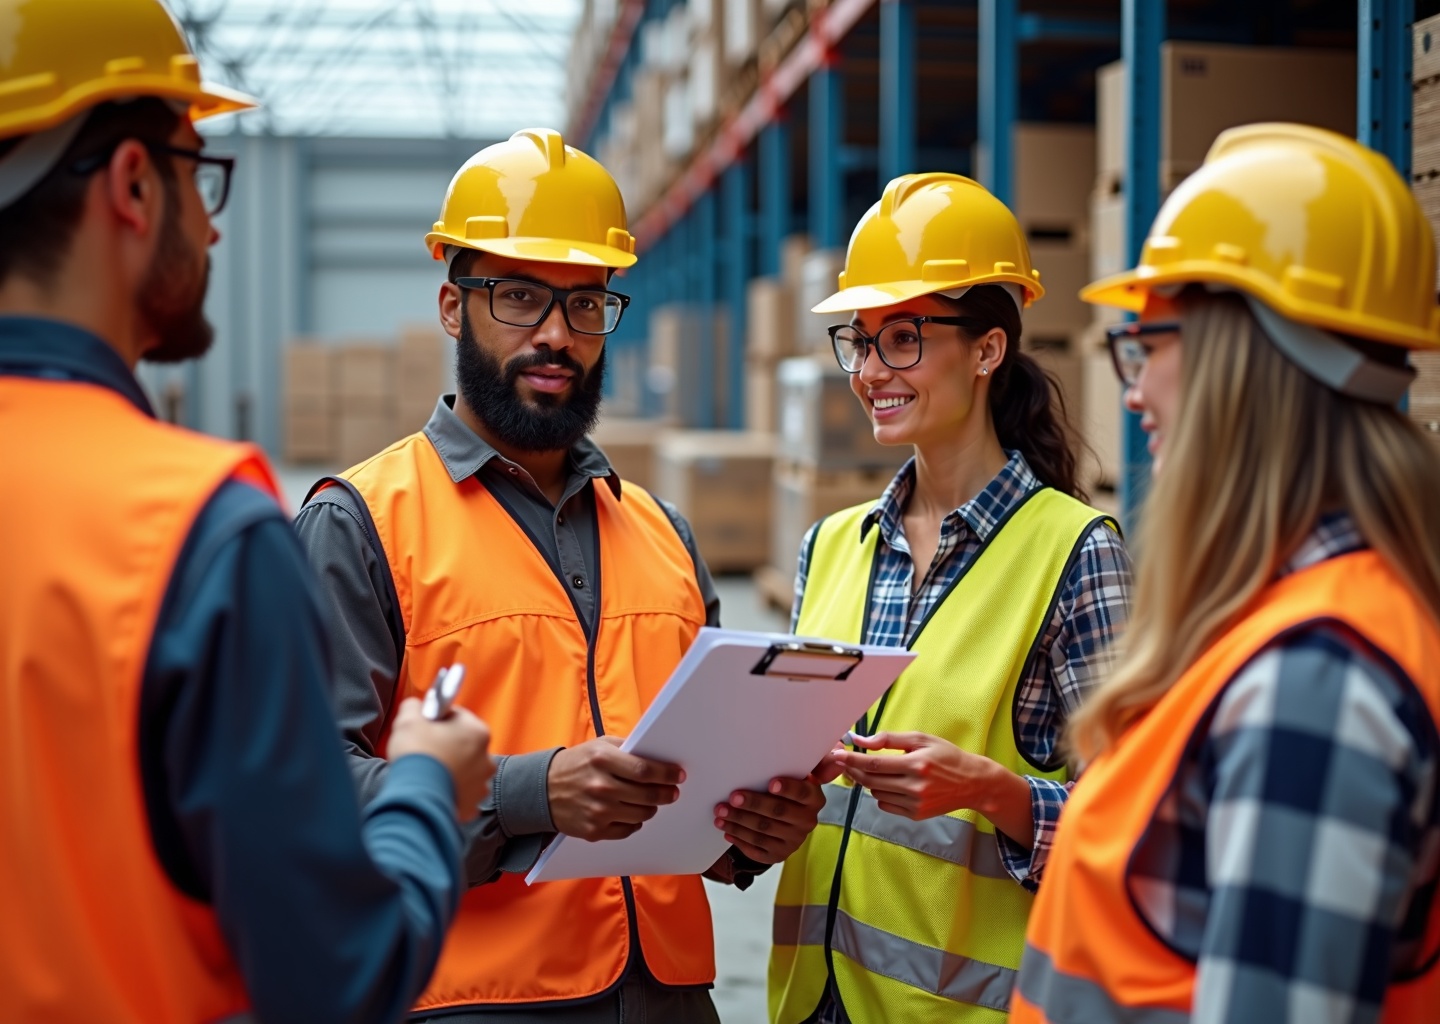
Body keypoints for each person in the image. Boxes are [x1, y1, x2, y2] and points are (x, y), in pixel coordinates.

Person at [0, 3, 498, 1022]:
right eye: (198, 172)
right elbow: (340, 973)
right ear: (135, 185)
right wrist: (422, 786)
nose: (214, 220)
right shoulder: (197, 530)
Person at [293, 127, 826, 1023]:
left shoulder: (661, 532)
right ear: (452, 306)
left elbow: (706, 767)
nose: (556, 336)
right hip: (474, 999)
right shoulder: (361, 524)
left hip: (671, 997)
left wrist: (755, 834)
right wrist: (527, 792)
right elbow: (306, 795)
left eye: (587, 305)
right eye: (518, 298)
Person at [1012, 124, 1440, 1023]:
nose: (1132, 392)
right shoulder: (1282, 622)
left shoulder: (1315, 681)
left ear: (1240, 361)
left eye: (1149, 345)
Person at [768, 172, 1132, 1024]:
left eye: (903, 339)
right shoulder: (829, 548)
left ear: (987, 348)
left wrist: (990, 791)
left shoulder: (1076, 554)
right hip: (808, 1002)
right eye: (860, 341)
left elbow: (1132, 830)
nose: (869, 371)